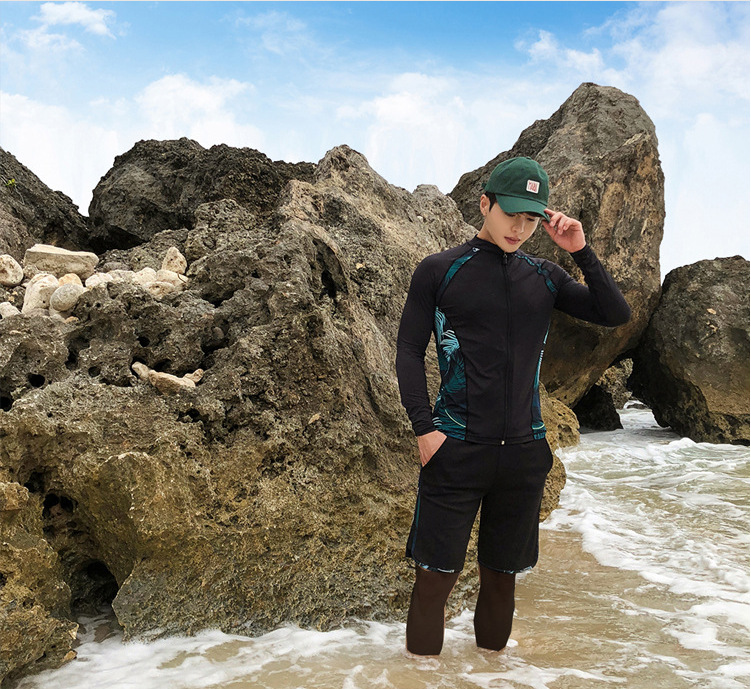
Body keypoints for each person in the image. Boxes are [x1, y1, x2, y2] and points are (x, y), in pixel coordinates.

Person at [395, 156, 631, 656]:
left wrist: (582, 251)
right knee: (434, 581)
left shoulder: (545, 276)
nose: (519, 229)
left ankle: (491, 678)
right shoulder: (440, 270)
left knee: (502, 581)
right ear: (485, 204)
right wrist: (424, 429)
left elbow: (614, 313)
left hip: (523, 455)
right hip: (455, 448)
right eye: (511, 214)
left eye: (531, 219)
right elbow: (409, 350)